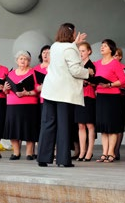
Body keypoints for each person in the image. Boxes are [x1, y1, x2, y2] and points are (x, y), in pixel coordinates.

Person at [37, 23, 93, 167]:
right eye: (74, 33)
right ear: (72, 34)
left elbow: (65, 52)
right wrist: (88, 73)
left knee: (47, 124)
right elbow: (75, 70)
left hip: (50, 90)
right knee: (63, 125)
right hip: (63, 93)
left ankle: (43, 157)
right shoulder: (70, 49)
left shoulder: (55, 46)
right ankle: (63, 160)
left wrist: (76, 43)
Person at [94, 39, 125, 163]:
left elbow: (123, 80)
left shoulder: (115, 63)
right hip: (101, 96)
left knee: (112, 126)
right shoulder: (97, 63)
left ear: (111, 49)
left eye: (105, 46)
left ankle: (111, 152)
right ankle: (104, 153)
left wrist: (110, 85)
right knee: (103, 126)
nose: (102, 47)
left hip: (113, 96)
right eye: (101, 45)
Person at [3, 50, 39, 161]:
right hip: (13, 104)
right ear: (17, 60)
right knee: (13, 129)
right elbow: (6, 92)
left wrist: (26, 93)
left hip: (29, 104)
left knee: (29, 129)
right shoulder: (11, 73)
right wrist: (5, 88)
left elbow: (37, 89)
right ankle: (16, 152)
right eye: (21, 58)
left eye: (25, 59)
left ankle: (29, 153)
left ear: (29, 61)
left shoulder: (33, 72)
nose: (23, 61)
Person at [75, 42, 96, 162]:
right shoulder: (77, 65)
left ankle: (89, 151)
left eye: (83, 50)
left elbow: (95, 81)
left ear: (89, 51)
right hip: (79, 96)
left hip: (89, 95)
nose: (81, 53)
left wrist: (88, 81)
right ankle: (82, 151)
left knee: (89, 124)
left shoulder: (91, 65)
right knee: (80, 125)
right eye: (79, 51)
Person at [33, 44, 51, 158]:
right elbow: (33, 86)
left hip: (51, 99)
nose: (45, 54)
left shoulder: (55, 67)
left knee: (49, 125)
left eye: (48, 52)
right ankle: (40, 149)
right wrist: (39, 87)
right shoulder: (36, 68)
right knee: (40, 125)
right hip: (39, 100)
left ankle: (52, 149)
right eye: (43, 52)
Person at [113, 47, 125, 160]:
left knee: (119, 124)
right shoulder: (109, 65)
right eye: (113, 55)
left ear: (120, 57)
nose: (115, 57)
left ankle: (117, 150)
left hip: (121, 96)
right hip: (111, 96)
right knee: (112, 123)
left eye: (117, 55)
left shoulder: (123, 68)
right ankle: (111, 149)